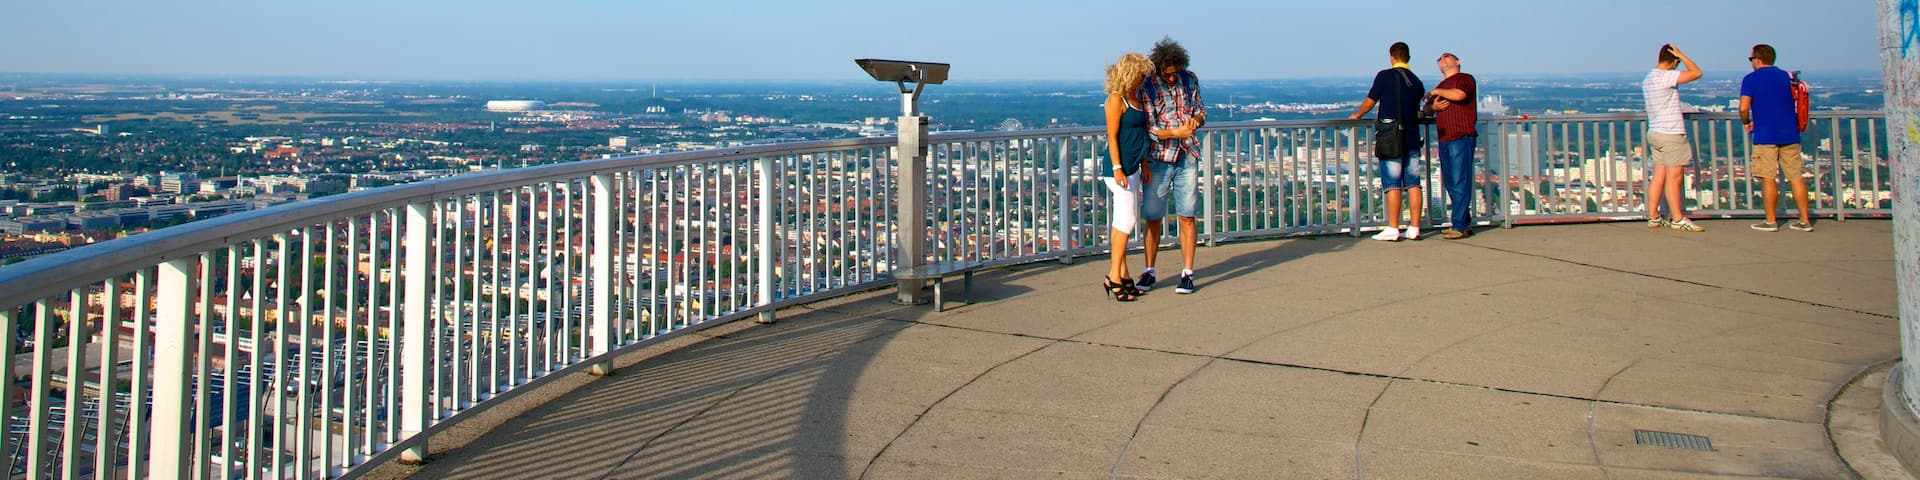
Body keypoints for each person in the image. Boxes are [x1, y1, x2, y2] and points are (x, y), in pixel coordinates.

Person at [1137, 37, 1205, 294]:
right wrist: (1175, 133)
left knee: (1187, 215)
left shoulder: (1190, 79)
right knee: (1153, 216)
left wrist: (1196, 120)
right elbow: (1150, 127)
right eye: (1168, 74)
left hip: (1187, 155)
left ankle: (1187, 273)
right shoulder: (1148, 86)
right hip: (1159, 158)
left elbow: (1200, 109)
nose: (1173, 77)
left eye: (1176, 72)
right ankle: (1149, 270)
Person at [1350, 42, 1428, 242]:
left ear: (1391, 57)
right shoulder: (1416, 81)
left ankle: (1393, 227)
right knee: (1413, 183)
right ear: (1408, 58)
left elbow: (1371, 100)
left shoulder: (1384, 76)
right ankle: (1414, 227)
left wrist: (1357, 114)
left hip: (1391, 136)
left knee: (1392, 183)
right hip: (1412, 135)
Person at [1739, 44, 1813, 232]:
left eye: (1751, 59)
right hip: (1790, 133)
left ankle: (1771, 221)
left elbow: (1743, 107)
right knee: (1796, 177)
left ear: (1757, 60)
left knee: (1768, 177)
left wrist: (1746, 121)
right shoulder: (1787, 77)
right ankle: (1805, 220)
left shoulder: (1751, 79)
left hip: (1765, 134)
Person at [1100, 53, 1153, 301]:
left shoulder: (1136, 98)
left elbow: (1140, 135)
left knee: (1120, 220)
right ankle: (1113, 276)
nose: (1144, 80)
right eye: (1141, 75)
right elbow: (1112, 137)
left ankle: (1123, 274)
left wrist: (1144, 163)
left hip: (1134, 165)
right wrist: (1117, 167)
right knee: (1129, 221)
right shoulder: (1116, 99)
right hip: (1118, 168)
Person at [1641, 44, 1706, 232]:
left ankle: (1653, 216)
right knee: (1674, 178)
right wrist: (1682, 55)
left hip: (1655, 132)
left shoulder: (1649, 78)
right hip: (1671, 133)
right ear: (1674, 61)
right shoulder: (1666, 76)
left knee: (1659, 176)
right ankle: (1677, 218)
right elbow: (1696, 73)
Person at [1425, 52, 1478, 239]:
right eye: (1440, 58)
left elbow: (1460, 94)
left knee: (1459, 180)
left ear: (1458, 62)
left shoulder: (1465, 79)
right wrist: (1433, 108)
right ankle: (1464, 221)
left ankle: (1459, 225)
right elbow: (1426, 109)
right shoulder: (1441, 86)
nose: (1443, 59)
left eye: (1447, 56)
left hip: (1461, 136)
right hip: (1445, 138)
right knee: (1450, 181)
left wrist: (1437, 92)